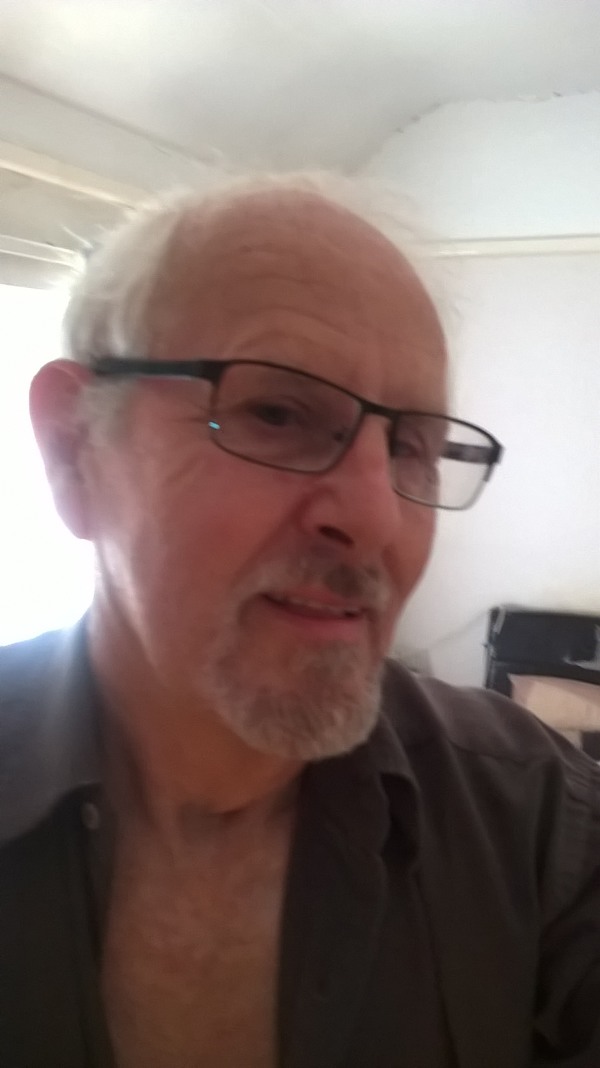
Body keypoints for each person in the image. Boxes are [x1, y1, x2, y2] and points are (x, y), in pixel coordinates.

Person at [0, 173, 598, 1068]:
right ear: (73, 449)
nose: (377, 520)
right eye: (278, 413)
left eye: (412, 447)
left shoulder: (540, 827)